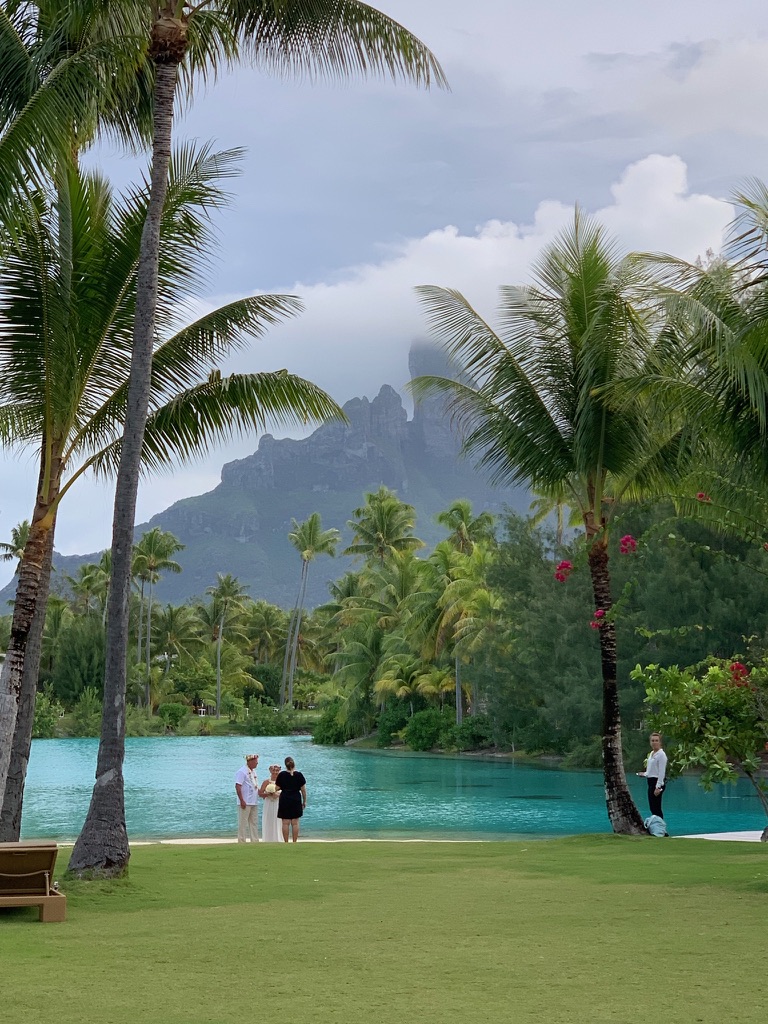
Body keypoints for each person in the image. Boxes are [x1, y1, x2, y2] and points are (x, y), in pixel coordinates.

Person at [276, 756, 307, 842]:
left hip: (285, 798)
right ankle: (294, 841)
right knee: (295, 822)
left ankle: (286, 842)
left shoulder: (281, 775)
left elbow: (277, 787)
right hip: (296, 798)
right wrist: (304, 801)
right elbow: (303, 790)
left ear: (285, 765)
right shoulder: (299, 775)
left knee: (285, 822)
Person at [637, 732, 667, 818]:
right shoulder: (651, 754)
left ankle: (661, 828)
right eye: (652, 740)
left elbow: (661, 772)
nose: (654, 742)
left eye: (656, 740)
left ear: (660, 742)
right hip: (650, 781)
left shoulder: (661, 755)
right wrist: (645, 774)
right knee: (652, 807)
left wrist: (658, 787)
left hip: (657, 782)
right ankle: (657, 826)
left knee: (656, 808)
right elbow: (651, 769)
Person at [234, 753, 260, 843]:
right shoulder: (242, 771)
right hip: (245, 801)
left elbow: (254, 785)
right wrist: (242, 800)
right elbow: (238, 786)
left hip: (253, 801)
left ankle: (255, 840)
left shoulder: (253, 772)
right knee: (243, 823)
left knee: (254, 822)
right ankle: (241, 841)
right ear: (250, 761)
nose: (257, 763)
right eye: (256, 762)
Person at [258, 764, 282, 843]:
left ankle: (278, 839)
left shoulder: (282, 782)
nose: (275, 772)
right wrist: (268, 794)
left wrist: (278, 795)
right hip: (268, 803)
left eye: (277, 771)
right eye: (273, 770)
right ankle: (267, 839)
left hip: (278, 803)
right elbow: (260, 793)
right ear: (270, 771)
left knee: (278, 820)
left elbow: (285, 793)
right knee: (268, 820)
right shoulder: (266, 782)